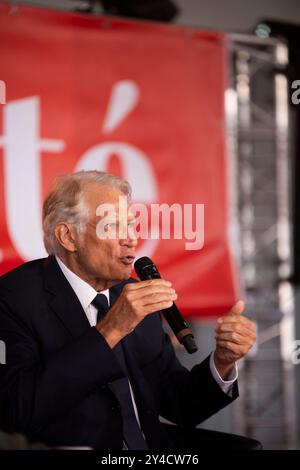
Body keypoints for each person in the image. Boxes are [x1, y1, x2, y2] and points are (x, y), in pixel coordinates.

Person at [0, 171, 256, 450]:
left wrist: (222, 362)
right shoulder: (13, 299)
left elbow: (179, 405)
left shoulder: (132, 294)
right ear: (68, 236)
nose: (132, 239)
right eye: (113, 227)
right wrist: (111, 329)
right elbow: (16, 411)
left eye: (132, 226)